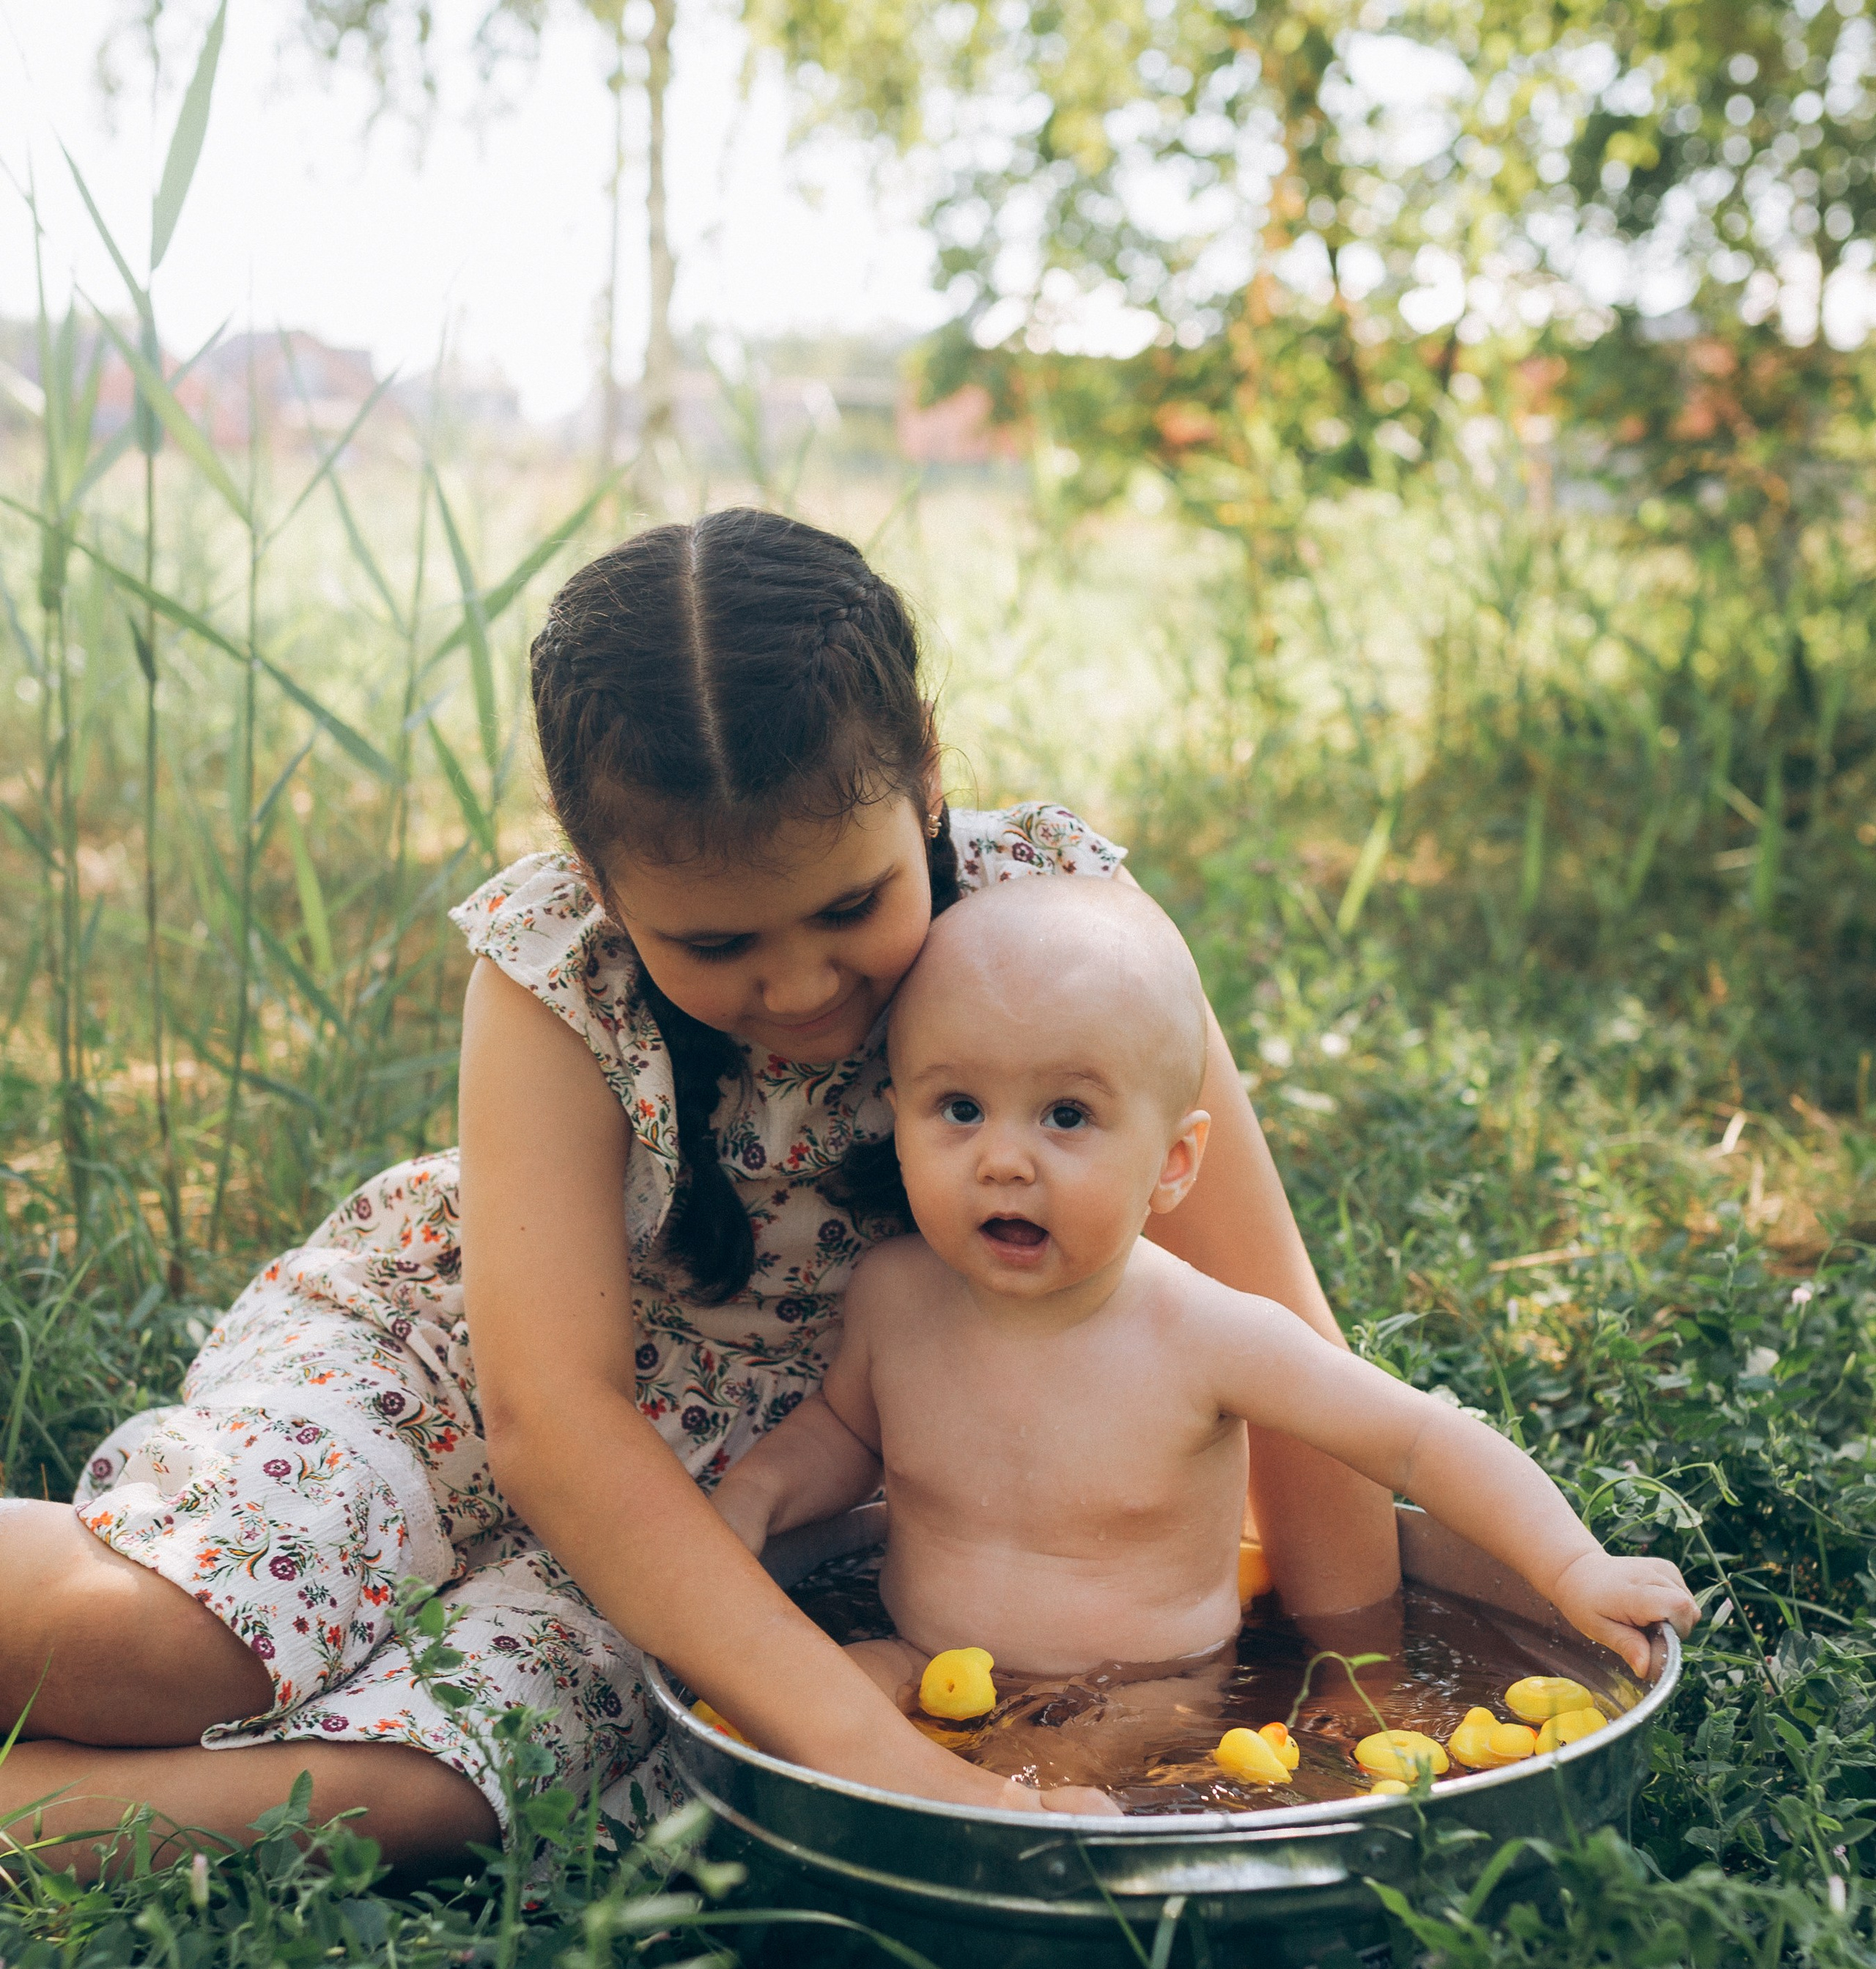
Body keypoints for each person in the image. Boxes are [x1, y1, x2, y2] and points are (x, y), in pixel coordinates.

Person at [0, 509, 1400, 1878]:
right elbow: (552, 1420)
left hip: (740, 1481)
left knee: (431, 1783)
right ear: (597, 872)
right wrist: (869, 1745)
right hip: (459, 1366)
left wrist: (1357, 1683)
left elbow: (1272, 1326)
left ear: (925, 780)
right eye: (718, 942)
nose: (797, 987)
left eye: (851, 908)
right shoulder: (562, 972)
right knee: (170, 1646)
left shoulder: (1062, 938)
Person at [709, 879, 1698, 1759]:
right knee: (800, 1716)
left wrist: (1574, 1569)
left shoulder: (1210, 1337)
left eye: (1065, 1117)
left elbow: (1419, 1443)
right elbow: (842, 1434)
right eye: (959, 1108)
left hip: (1139, 1703)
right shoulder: (894, 1295)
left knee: (1053, 1787)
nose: (1003, 1160)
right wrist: (754, 1497)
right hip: (915, 1653)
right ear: (899, 1111)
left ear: (1175, 1163)